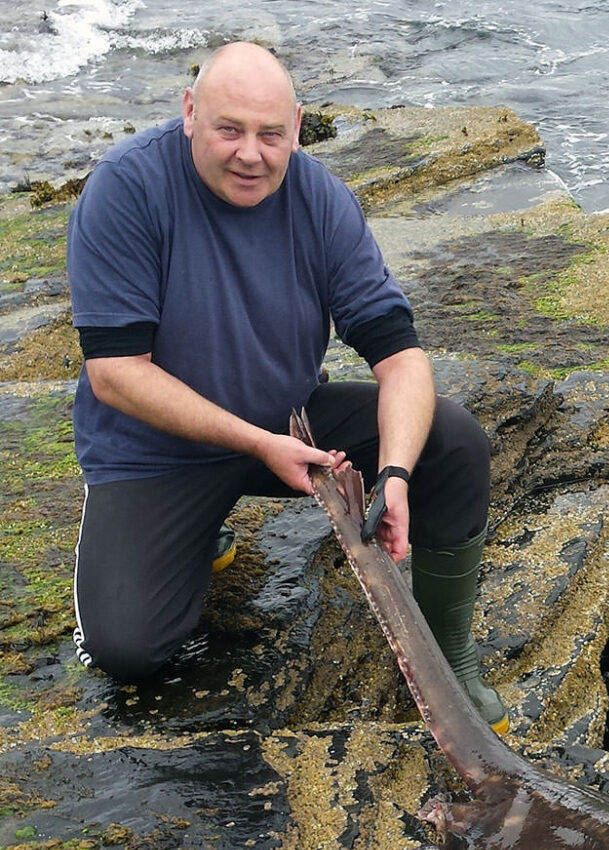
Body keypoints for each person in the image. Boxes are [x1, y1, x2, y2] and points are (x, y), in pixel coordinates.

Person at [67, 40, 508, 731]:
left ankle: (450, 659)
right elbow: (115, 375)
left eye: (271, 134)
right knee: (126, 651)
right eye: (229, 129)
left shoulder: (320, 198)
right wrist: (256, 443)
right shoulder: (126, 188)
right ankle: (196, 532)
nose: (251, 153)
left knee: (450, 442)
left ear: (297, 127)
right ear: (189, 113)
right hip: (154, 452)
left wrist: (392, 473)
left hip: (288, 423)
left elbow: (400, 358)